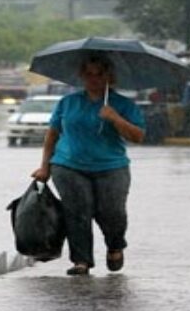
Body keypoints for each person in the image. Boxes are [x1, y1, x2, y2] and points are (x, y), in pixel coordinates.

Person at [31, 53, 145, 276]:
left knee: (112, 212)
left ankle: (115, 246)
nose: (94, 79)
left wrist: (115, 118)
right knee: (77, 212)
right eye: (89, 74)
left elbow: (138, 136)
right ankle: (81, 260)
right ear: (82, 76)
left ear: (109, 76)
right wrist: (44, 166)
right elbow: (53, 135)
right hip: (68, 166)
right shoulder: (68, 103)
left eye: (99, 74)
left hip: (111, 167)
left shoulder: (123, 104)